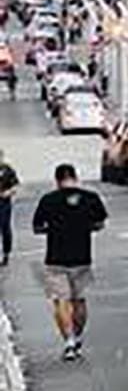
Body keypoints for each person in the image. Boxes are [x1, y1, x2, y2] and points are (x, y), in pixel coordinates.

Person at [32, 163, 107, 359]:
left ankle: (69, 341)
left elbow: (38, 227)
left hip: (56, 257)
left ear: (57, 180)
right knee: (79, 300)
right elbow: (99, 223)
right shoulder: (91, 198)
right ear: (75, 177)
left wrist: (54, 229)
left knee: (61, 301)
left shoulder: (48, 200)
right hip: (82, 257)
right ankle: (78, 334)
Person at [0, 154, 15, 265]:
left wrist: (8, 192)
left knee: (5, 228)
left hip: (3, 204)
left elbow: (15, 186)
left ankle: (6, 253)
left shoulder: (7, 170)